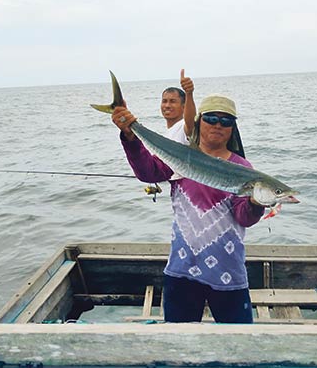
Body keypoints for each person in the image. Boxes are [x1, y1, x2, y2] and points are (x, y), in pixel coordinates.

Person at [112, 94, 265, 323]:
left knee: (238, 341)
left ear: (233, 128)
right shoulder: (178, 157)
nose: (218, 125)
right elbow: (147, 172)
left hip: (227, 270)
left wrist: (255, 203)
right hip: (182, 268)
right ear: (198, 121)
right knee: (178, 339)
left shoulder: (242, 168)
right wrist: (129, 135)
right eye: (211, 118)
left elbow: (243, 217)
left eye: (226, 121)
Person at [161, 69, 196, 144]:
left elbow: (191, 126)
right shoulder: (168, 133)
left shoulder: (183, 127)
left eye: (172, 101)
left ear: (184, 106)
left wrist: (189, 93)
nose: (167, 105)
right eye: (164, 101)